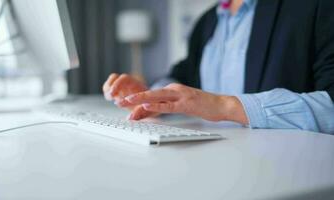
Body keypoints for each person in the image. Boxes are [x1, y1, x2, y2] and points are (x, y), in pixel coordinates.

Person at [103, 0, 334, 134]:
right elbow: (183, 75)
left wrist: (223, 105)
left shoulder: (315, 7)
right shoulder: (207, 22)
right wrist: (150, 96)